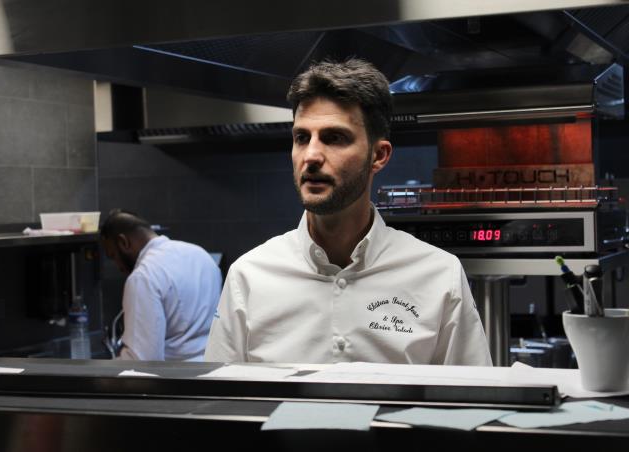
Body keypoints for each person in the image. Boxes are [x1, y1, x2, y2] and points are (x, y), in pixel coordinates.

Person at [205, 59, 491, 365]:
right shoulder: (248, 277)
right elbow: (221, 402)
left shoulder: (438, 275)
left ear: (378, 155)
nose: (311, 155)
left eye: (334, 138)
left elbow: (471, 400)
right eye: (302, 138)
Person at [100, 209, 222, 361]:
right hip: (215, 372)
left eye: (113, 256)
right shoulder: (201, 255)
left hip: (177, 379)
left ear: (123, 242)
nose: (118, 266)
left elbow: (143, 359)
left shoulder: (143, 277)